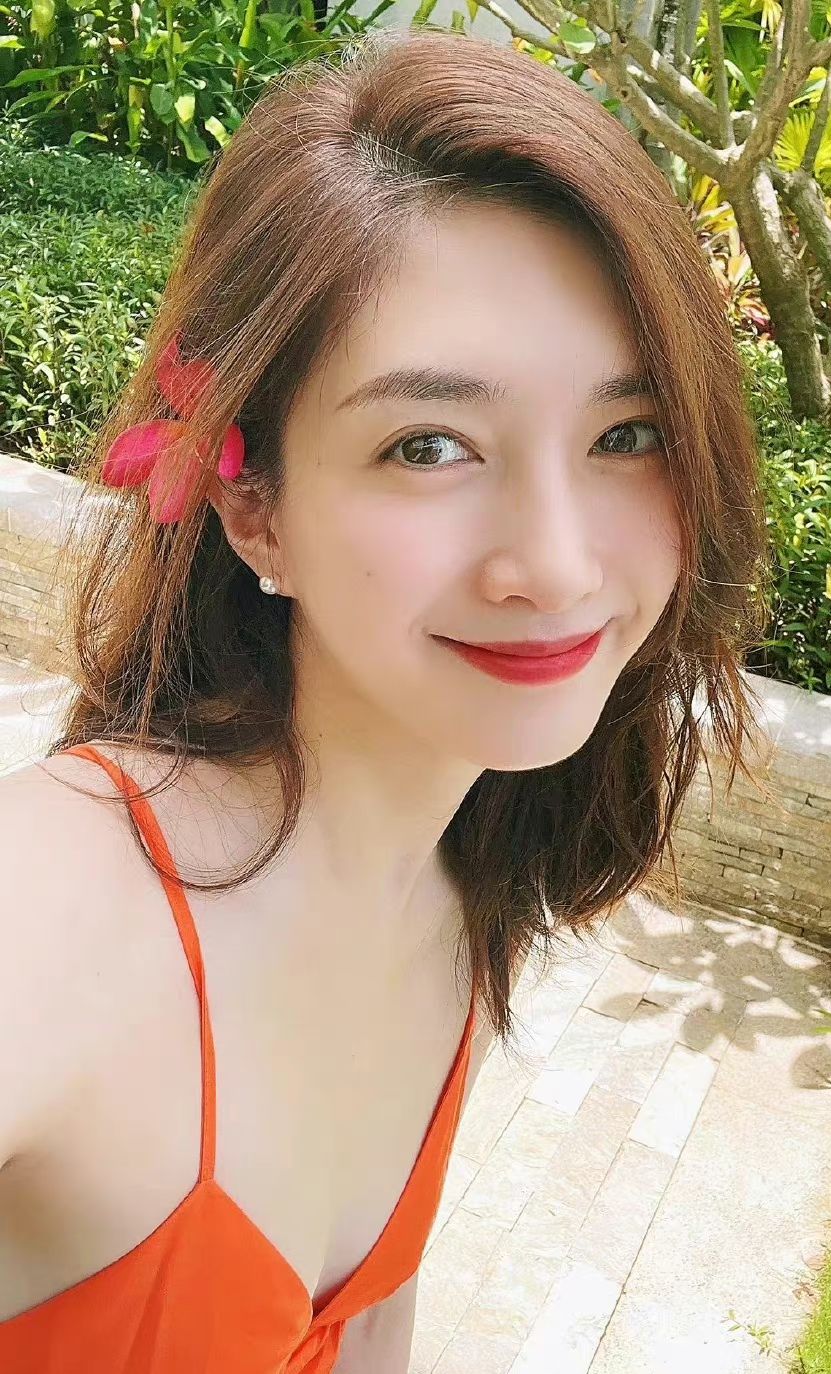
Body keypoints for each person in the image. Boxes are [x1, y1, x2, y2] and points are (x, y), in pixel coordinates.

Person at [0, 24, 768, 1374]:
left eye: (627, 435)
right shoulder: (62, 902)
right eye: (428, 446)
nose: (556, 564)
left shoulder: (461, 899)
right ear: (255, 507)